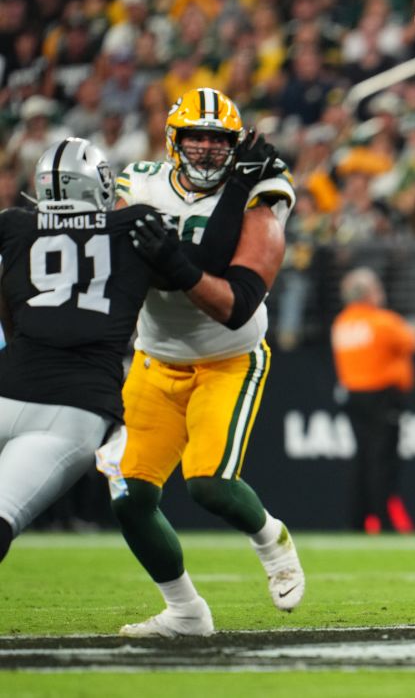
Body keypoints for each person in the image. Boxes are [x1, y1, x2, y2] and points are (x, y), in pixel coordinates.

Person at [98, 87, 305, 637]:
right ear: (175, 139)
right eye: (197, 137)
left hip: (228, 358)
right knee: (130, 497)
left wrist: (170, 261)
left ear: (235, 146)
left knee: (210, 484)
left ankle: (271, 538)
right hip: (155, 357)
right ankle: (186, 613)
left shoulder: (262, 188)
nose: (208, 150)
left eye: (218, 140)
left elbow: (234, 307)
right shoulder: (137, 181)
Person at [0, 138, 183, 565]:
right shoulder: (137, 223)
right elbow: (182, 285)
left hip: (8, 385)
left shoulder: (13, 225)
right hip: (73, 407)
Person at [331, 267, 415, 534]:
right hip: (382, 397)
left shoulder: (342, 323)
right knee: (382, 460)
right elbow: (412, 340)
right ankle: (383, 518)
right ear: (369, 293)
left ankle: (359, 518)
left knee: (361, 457)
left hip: (353, 396)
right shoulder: (382, 322)